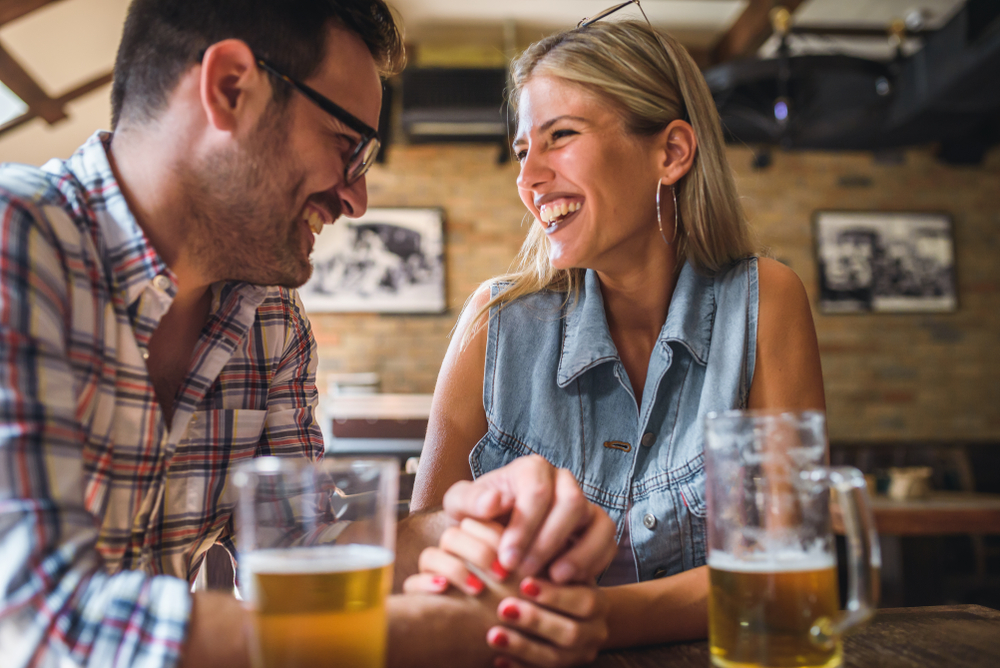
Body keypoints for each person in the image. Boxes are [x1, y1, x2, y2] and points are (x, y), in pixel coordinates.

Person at [0, 2, 617, 667]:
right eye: (349, 144)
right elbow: (36, 625)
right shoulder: (18, 235)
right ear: (230, 88)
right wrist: (440, 631)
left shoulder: (272, 319)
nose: (357, 198)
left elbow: (306, 543)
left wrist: (470, 527)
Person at [407, 13, 826, 664]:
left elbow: (791, 570)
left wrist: (597, 616)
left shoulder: (764, 301)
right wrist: (459, 527)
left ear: (672, 153)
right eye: (523, 151)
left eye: (560, 136)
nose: (528, 179)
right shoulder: (494, 319)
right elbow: (420, 543)